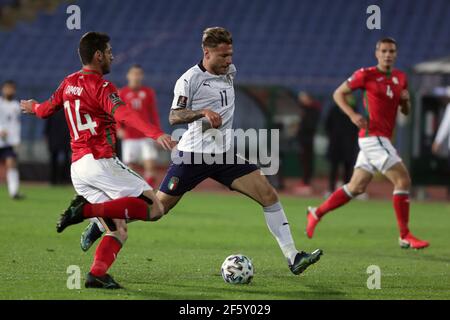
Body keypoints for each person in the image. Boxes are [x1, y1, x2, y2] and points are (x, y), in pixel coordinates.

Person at [81, 27, 323, 275]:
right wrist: (202, 112)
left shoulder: (230, 71)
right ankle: (101, 222)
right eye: (223, 56)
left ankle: (293, 257)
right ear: (206, 54)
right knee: (157, 210)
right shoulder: (189, 80)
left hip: (224, 155)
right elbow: (174, 116)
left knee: (269, 195)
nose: (229, 61)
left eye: (230, 55)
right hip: (192, 156)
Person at [20, 31, 175, 289]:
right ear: (98, 55)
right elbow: (123, 113)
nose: (113, 57)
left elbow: (46, 109)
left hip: (79, 168)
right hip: (100, 160)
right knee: (155, 208)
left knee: (118, 228)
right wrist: (155, 133)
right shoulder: (101, 86)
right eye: (110, 52)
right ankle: (86, 212)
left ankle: (97, 274)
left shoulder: (67, 82)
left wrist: (33, 107)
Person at [305, 38, 429, 249]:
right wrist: (353, 114)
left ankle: (316, 212)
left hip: (382, 138)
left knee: (357, 187)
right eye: (384, 51)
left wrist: (406, 101)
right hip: (372, 137)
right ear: (377, 53)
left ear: (396, 54)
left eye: (391, 51)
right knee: (403, 180)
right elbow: (338, 94)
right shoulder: (366, 74)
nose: (388, 54)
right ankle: (405, 235)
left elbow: (404, 112)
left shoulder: (401, 78)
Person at [118, 65, 163, 188]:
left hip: (145, 135)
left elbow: (153, 114)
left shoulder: (148, 92)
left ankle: (149, 195)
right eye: (133, 73)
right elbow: (116, 113)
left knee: (150, 166)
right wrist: (119, 128)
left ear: (142, 76)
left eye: (138, 74)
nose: (136, 76)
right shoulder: (122, 93)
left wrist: (158, 133)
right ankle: (136, 193)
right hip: (129, 136)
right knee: (130, 168)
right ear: (128, 75)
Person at [324, 94, 358, 196]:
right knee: (334, 168)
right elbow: (327, 125)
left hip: (349, 144)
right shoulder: (334, 110)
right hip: (336, 143)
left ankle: (347, 191)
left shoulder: (353, 110)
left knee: (348, 168)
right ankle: (331, 189)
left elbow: (357, 127)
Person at [293, 91, 322, 196]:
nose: (301, 100)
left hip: (308, 139)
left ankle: (307, 183)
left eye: (303, 97)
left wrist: (300, 127)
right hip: (303, 139)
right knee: (303, 160)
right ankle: (305, 181)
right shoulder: (304, 109)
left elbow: (310, 125)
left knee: (307, 160)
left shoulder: (313, 110)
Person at [0, 80, 24, 200]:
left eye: (11, 88)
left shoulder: (15, 105)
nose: (9, 91)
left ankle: (14, 192)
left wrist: (16, 140)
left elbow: (15, 125)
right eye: (7, 88)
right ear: (3, 89)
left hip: (9, 142)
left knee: (11, 164)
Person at [44, 109, 71, 185]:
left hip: (64, 138)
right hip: (55, 138)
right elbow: (48, 125)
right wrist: (46, 136)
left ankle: (64, 179)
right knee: (54, 159)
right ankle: (54, 180)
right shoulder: (53, 110)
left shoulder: (66, 108)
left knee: (66, 159)